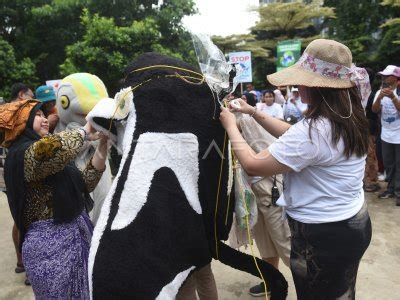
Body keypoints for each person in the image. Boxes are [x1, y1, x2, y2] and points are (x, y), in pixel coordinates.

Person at [219, 39, 372, 299]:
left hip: (323, 238)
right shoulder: (347, 116)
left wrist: (231, 127)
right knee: (341, 292)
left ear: (319, 87)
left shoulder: (315, 131)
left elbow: (254, 166)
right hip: (353, 224)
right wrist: (253, 112)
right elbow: (295, 136)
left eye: (303, 80)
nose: (297, 85)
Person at [1, 99, 108, 298]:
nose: (43, 119)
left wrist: (104, 143)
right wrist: (87, 129)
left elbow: (85, 183)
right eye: (36, 116)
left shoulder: (54, 159)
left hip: (79, 234)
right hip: (48, 250)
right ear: (22, 124)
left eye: (43, 114)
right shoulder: (23, 155)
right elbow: (56, 148)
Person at [228, 108, 290, 297]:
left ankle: (312, 287)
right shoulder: (220, 117)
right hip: (248, 189)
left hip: (269, 187)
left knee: (286, 242)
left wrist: (232, 124)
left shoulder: (245, 119)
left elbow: (254, 162)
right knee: (264, 242)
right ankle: (272, 280)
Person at [371, 65, 400, 205]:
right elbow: (375, 110)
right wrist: (380, 97)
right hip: (386, 135)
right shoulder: (379, 92)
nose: (384, 78)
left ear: (396, 78)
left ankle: (398, 192)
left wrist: (393, 97)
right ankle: (391, 189)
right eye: (383, 76)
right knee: (389, 164)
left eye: (387, 76)